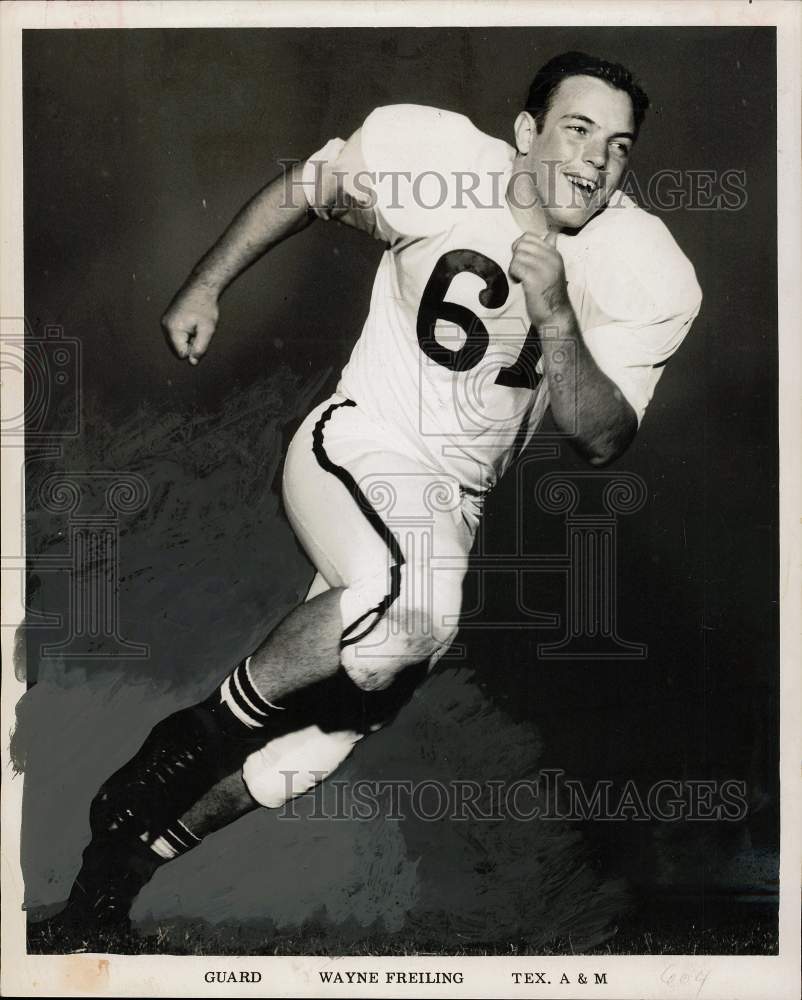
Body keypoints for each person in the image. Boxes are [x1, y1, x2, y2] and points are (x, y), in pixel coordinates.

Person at [49, 51, 701, 932]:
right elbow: (309, 187)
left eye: (619, 147)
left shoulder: (644, 263)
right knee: (416, 603)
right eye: (577, 130)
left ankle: (108, 884)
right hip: (358, 443)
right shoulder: (435, 159)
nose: (594, 160)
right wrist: (205, 285)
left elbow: (601, 437)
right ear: (526, 131)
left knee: (314, 747)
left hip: (450, 508)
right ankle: (191, 739)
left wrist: (556, 316)